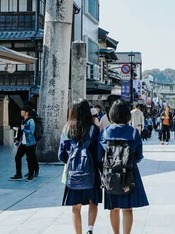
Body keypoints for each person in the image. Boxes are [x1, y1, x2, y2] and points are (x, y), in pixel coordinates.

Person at [99, 100, 149, 234]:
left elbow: (99, 157)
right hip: (129, 173)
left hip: (110, 174)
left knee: (113, 208)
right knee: (127, 209)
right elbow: (139, 156)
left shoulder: (104, 133)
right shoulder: (133, 133)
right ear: (127, 115)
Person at [59, 99, 101, 234]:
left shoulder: (66, 129)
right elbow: (99, 154)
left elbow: (61, 155)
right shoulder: (94, 129)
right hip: (91, 172)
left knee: (75, 207)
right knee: (93, 202)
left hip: (73, 173)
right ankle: (90, 229)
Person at [10, 105, 38, 182]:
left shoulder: (31, 121)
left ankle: (30, 175)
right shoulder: (23, 120)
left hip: (30, 143)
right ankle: (19, 174)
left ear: (27, 112)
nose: (21, 111)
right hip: (23, 143)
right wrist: (18, 139)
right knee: (17, 157)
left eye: (23, 110)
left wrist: (24, 129)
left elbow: (31, 132)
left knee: (30, 159)